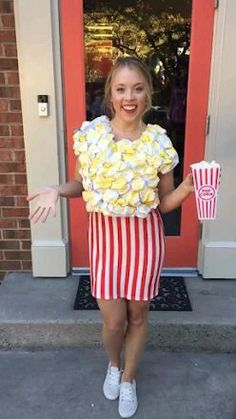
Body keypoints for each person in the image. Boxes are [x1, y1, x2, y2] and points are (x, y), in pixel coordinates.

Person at [27, 56, 194, 418]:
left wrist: (189, 187)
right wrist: (57, 189)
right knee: (113, 321)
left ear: (148, 93)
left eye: (137, 88)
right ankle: (113, 365)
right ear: (110, 94)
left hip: (145, 241)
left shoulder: (159, 143)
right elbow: (81, 184)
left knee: (138, 316)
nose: (129, 97)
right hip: (105, 242)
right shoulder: (91, 136)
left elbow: (164, 204)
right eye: (121, 89)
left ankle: (129, 378)